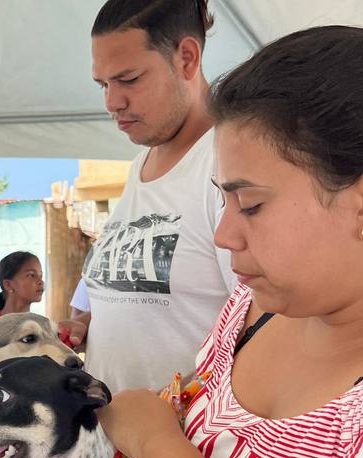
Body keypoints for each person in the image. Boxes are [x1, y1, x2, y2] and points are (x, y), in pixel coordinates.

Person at [100, 25, 363, 458]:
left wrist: (154, 438)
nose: (222, 234)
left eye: (250, 204)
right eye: (224, 199)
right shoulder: (251, 313)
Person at [61, 0, 235, 393]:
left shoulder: (227, 164)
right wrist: (91, 325)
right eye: (103, 84)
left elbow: (264, 333)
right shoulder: (138, 166)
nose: (111, 102)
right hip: (115, 444)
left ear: (187, 59)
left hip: (185, 448)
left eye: (129, 79)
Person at [0, 251, 43, 324]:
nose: (41, 281)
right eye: (31, 275)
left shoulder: (43, 326)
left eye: (41, 275)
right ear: (8, 285)